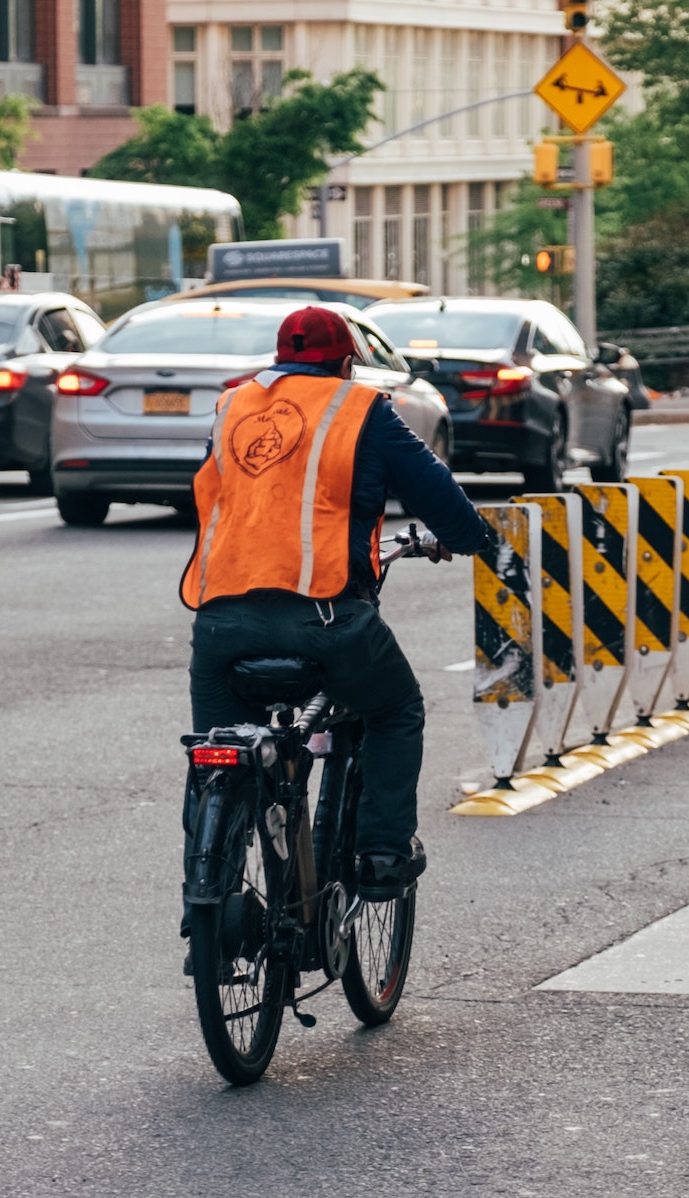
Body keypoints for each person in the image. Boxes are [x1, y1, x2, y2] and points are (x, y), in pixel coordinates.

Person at [180, 305, 489, 900]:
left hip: (219, 621)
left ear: (278, 359)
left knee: (215, 759)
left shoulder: (230, 407)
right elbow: (433, 489)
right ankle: (381, 856)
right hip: (327, 618)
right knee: (395, 710)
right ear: (347, 361)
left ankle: (208, 895)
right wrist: (472, 537)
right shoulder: (361, 409)